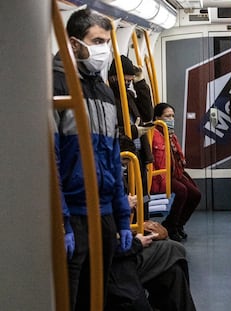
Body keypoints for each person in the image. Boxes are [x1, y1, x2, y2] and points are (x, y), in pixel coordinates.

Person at [53, 9, 132, 310]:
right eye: (97, 41)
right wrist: (62, 223)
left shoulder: (103, 91)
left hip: (104, 212)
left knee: (99, 298)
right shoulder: (54, 86)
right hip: (73, 213)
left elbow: (112, 157)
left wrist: (122, 217)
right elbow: (52, 159)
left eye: (107, 43)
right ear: (74, 43)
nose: (104, 50)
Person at [106, 135, 197, 311]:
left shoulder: (110, 181)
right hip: (113, 259)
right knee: (174, 251)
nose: (122, 169)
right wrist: (136, 241)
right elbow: (102, 237)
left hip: (119, 249)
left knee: (172, 272)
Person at [108, 55, 154, 220]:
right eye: (125, 80)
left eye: (130, 80)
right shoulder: (109, 99)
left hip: (138, 154)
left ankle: (144, 224)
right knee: (129, 196)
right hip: (123, 156)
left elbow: (148, 113)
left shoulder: (129, 96)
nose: (127, 83)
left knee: (142, 195)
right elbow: (109, 129)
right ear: (113, 77)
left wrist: (140, 81)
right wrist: (134, 131)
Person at [151, 103, 202, 242]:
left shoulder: (172, 136)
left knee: (196, 194)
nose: (171, 119)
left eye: (173, 116)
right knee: (181, 191)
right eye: (167, 116)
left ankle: (179, 224)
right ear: (157, 118)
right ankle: (171, 225)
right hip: (161, 175)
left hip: (175, 172)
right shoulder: (152, 135)